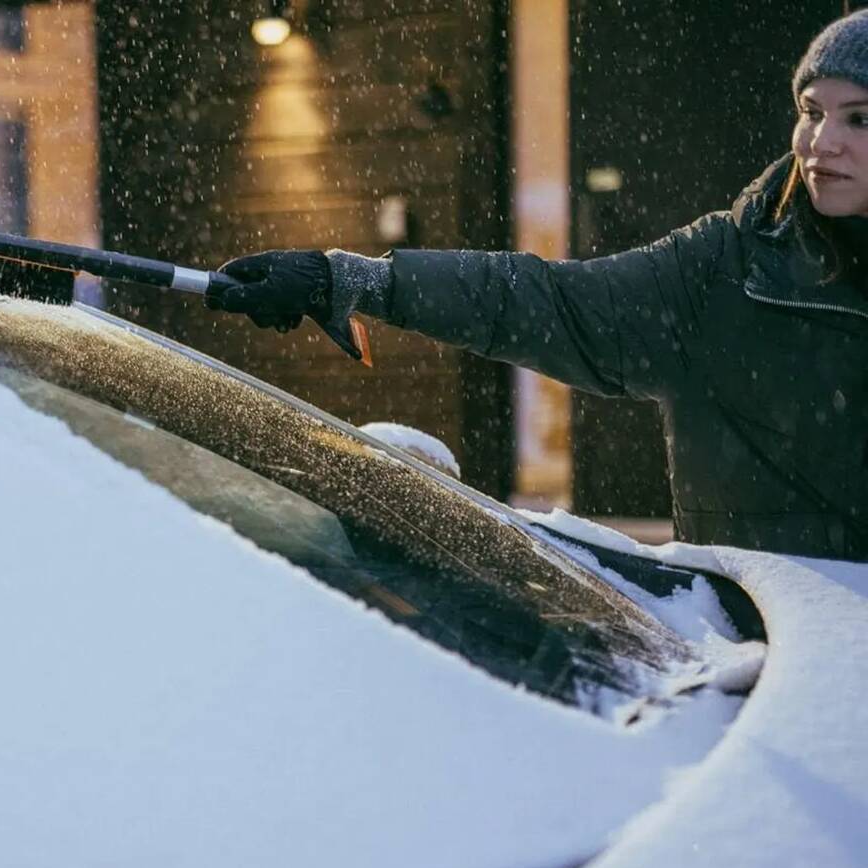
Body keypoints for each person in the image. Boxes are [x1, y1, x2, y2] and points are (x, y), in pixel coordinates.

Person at [208, 10, 868, 561]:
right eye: (811, 112)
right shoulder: (726, 267)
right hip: (775, 651)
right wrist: (348, 280)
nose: (821, 143)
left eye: (858, 119)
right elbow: (545, 299)